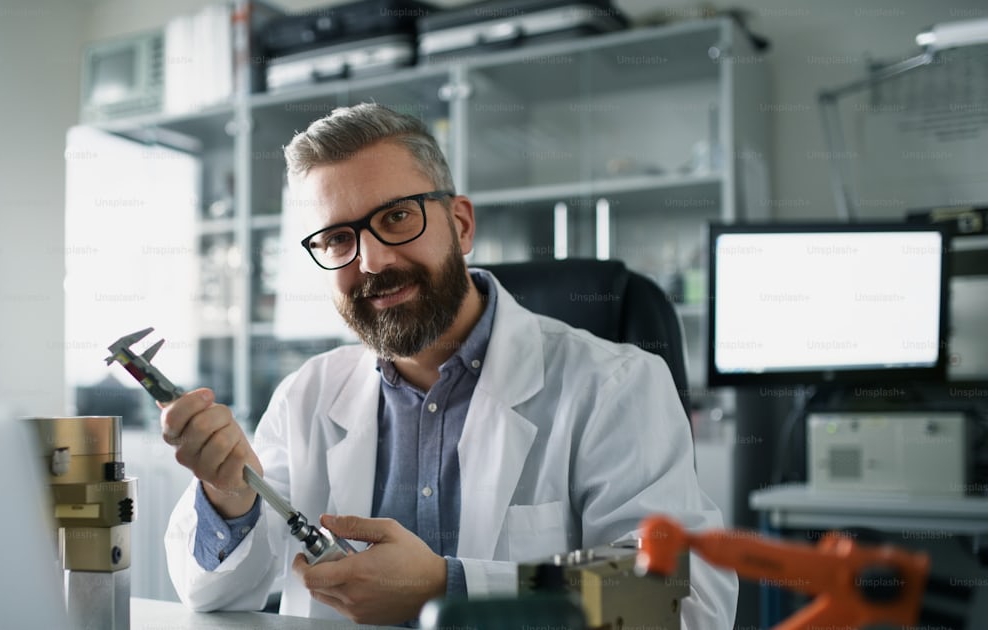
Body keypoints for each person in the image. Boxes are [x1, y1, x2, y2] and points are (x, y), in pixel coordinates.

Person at [163, 103, 737, 627]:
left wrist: (448, 588)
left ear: (460, 225)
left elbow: (684, 600)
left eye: (395, 219)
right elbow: (213, 596)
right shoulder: (306, 396)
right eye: (339, 238)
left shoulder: (614, 385)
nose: (372, 261)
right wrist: (228, 497)